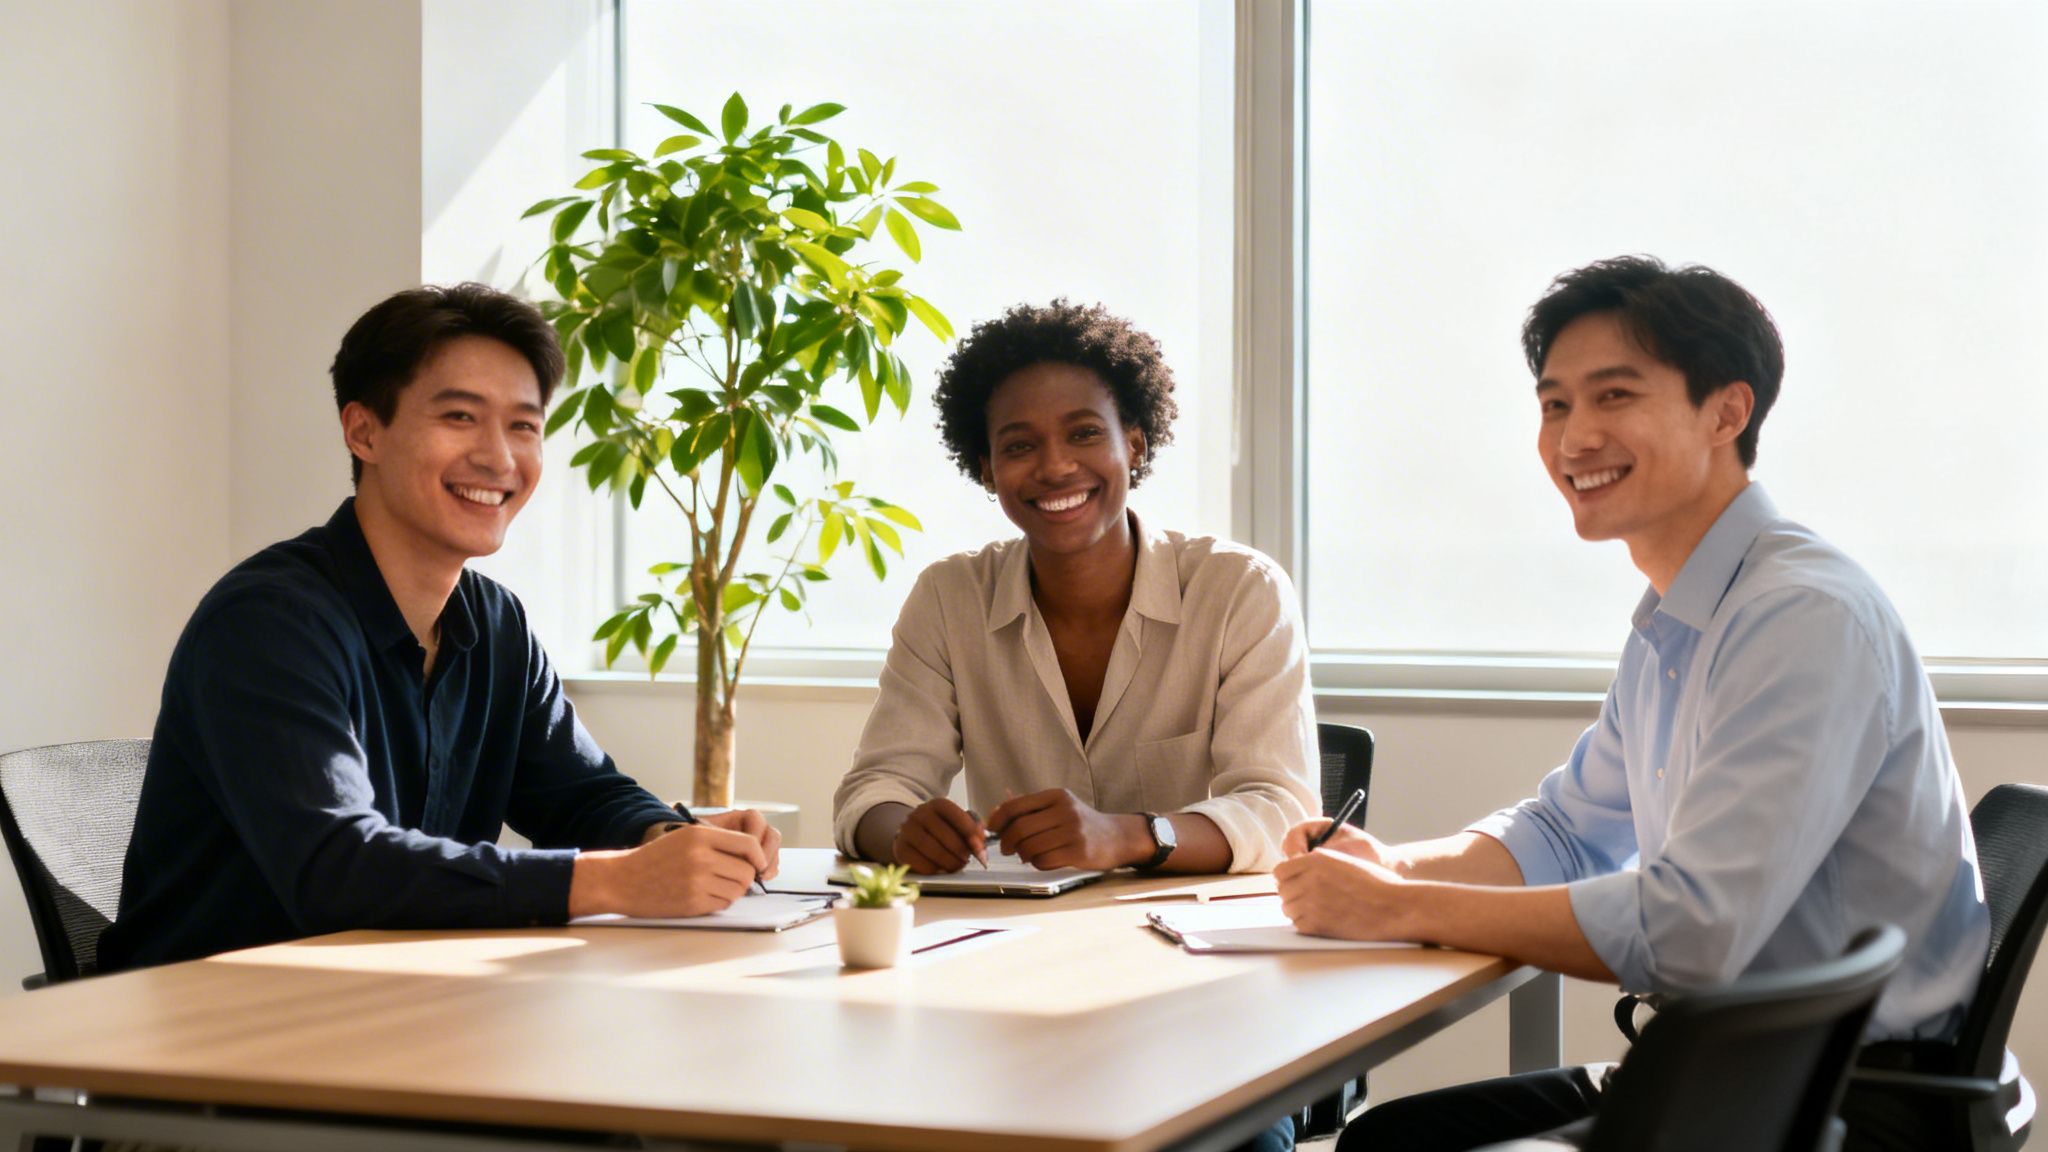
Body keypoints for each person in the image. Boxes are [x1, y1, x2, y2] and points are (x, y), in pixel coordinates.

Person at [1276, 256, 1993, 1152]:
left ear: (1727, 412)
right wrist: (1394, 868)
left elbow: (1692, 930)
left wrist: (1394, 908)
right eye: (1555, 405)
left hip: (1842, 1101)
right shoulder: (1682, 616)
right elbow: (1566, 832)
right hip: (1732, 1065)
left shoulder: (1800, 616)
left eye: (1614, 396)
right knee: (1391, 1139)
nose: (1574, 438)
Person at [99, 283, 779, 972]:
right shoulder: (267, 623)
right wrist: (611, 881)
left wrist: (665, 836)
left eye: (523, 426)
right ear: (364, 432)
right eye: (460, 416)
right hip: (210, 1016)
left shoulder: (496, 623)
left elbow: (581, 793)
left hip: (391, 993)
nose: (499, 458)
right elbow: (338, 868)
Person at [833, 299, 1319, 879]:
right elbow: (875, 789)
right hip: (1011, 925)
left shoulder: (1240, 590)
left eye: (1084, 433)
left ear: (1134, 445)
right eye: (1019, 446)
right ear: (986, 468)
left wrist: (1127, 836)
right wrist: (902, 833)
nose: (1056, 467)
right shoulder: (949, 597)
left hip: (1184, 923)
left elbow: (1280, 810)